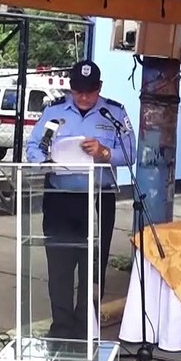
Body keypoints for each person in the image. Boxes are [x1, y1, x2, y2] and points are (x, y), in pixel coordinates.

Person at [24, 59, 134, 345]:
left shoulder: (114, 113)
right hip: (60, 198)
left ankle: (86, 327)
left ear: (99, 88)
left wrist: (105, 152)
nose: (83, 96)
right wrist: (44, 162)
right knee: (59, 265)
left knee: (93, 265)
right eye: (78, 90)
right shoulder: (54, 112)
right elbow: (33, 146)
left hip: (99, 199)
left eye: (89, 91)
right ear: (71, 88)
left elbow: (132, 153)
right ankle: (61, 328)